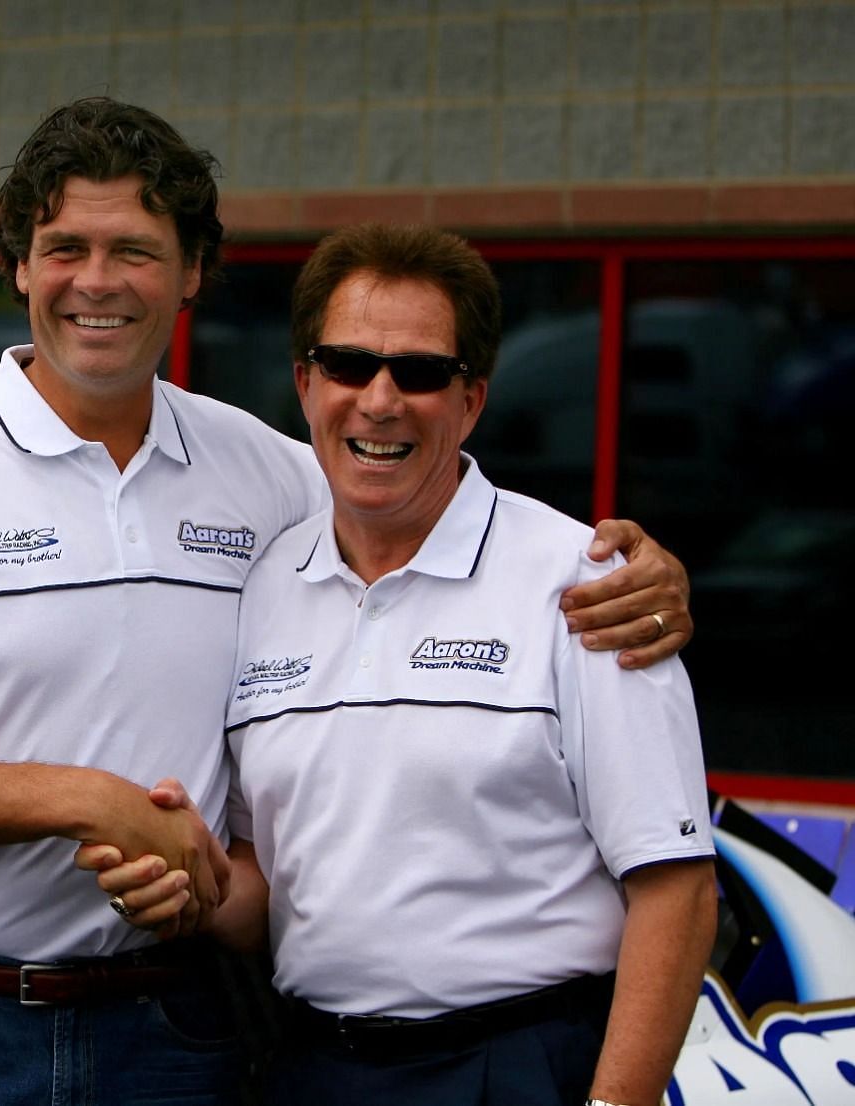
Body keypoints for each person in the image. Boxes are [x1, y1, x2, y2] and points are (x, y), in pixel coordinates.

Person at [0, 98, 693, 1106]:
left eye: (135, 249)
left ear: (191, 273)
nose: (97, 281)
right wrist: (86, 797)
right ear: (20, 264)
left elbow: (412, 478)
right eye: (65, 245)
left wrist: (635, 569)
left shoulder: (265, 472)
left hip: (179, 1024)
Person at [90, 224, 716, 1106]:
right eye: (347, 365)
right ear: (306, 384)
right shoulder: (262, 588)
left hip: (522, 1063)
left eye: (420, 373)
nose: (379, 401)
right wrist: (183, 885)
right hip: (311, 1066)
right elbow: (267, 883)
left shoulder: (585, 585)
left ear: (472, 401)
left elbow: (676, 888)